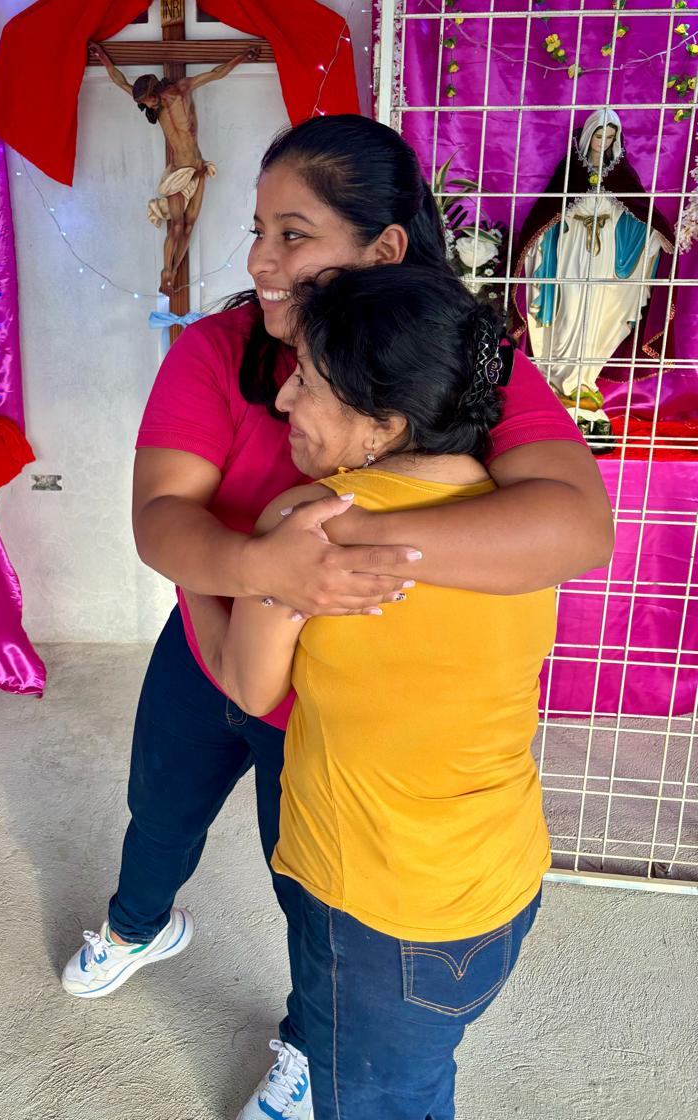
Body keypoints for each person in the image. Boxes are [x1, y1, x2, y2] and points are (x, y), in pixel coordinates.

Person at [60, 116, 614, 1120]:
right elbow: (161, 520)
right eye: (258, 231)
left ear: (385, 247)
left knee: (320, 907)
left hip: (326, 707)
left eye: (293, 234)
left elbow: (575, 524)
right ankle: (138, 922)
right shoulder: (216, 348)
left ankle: (313, 1045)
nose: (259, 261)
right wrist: (266, 566)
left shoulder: (459, 357)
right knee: (163, 807)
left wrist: (336, 545)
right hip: (215, 644)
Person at [184, 263, 556, 1120]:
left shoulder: (308, 524)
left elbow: (247, 685)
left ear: (384, 425)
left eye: (308, 383)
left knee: (370, 1100)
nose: (283, 400)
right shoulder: (518, 520)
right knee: (418, 1080)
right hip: (502, 881)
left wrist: (207, 571)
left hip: (379, 914)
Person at [513, 107, 676, 431]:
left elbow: (640, 216)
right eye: (600, 135)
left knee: (597, 318)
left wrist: (656, 237)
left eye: (611, 137)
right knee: (569, 313)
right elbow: (546, 216)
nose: (605, 142)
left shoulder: (621, 177)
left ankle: (582, 382)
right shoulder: (571, 173)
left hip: (606, 262)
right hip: (571, 257)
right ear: (588, 136)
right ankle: (558, 379)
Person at [89, 41, 262, 294]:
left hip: (199, 170)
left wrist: (242, 57)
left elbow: (216, 73)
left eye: (148, 101)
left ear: (155, 92)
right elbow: (120, 81)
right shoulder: (154, 106)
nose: (148, 107)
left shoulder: (182, 89)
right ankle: (165, 272)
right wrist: (103, 57)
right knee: (177, 226)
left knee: (189, 226)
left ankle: (174, 271)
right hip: (179, 173)